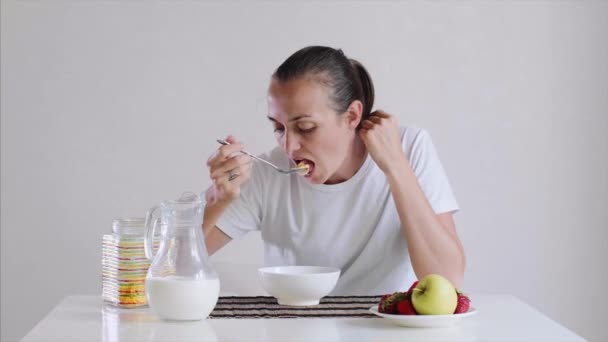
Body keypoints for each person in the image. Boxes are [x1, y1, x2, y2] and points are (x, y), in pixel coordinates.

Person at [202, 46, 465, 295]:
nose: (289, 147)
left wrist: (396, 167)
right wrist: (219, 200)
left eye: (305, 127)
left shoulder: (408, 147)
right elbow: (166, 266)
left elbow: (447, 280)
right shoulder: (266, 174)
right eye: (279, 128)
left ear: (352, 116)